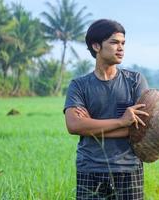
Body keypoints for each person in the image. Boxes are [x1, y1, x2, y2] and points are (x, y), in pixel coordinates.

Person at [63, 19, 149, 200]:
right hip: (90, 168)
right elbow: (73, 126)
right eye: (114, 42)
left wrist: (90, 127)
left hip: (128, 168)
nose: (121, 48)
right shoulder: (79, 85)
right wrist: (122, 122)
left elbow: (143, 128)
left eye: (123, 43)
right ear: (96, 46)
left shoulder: (135, 81)